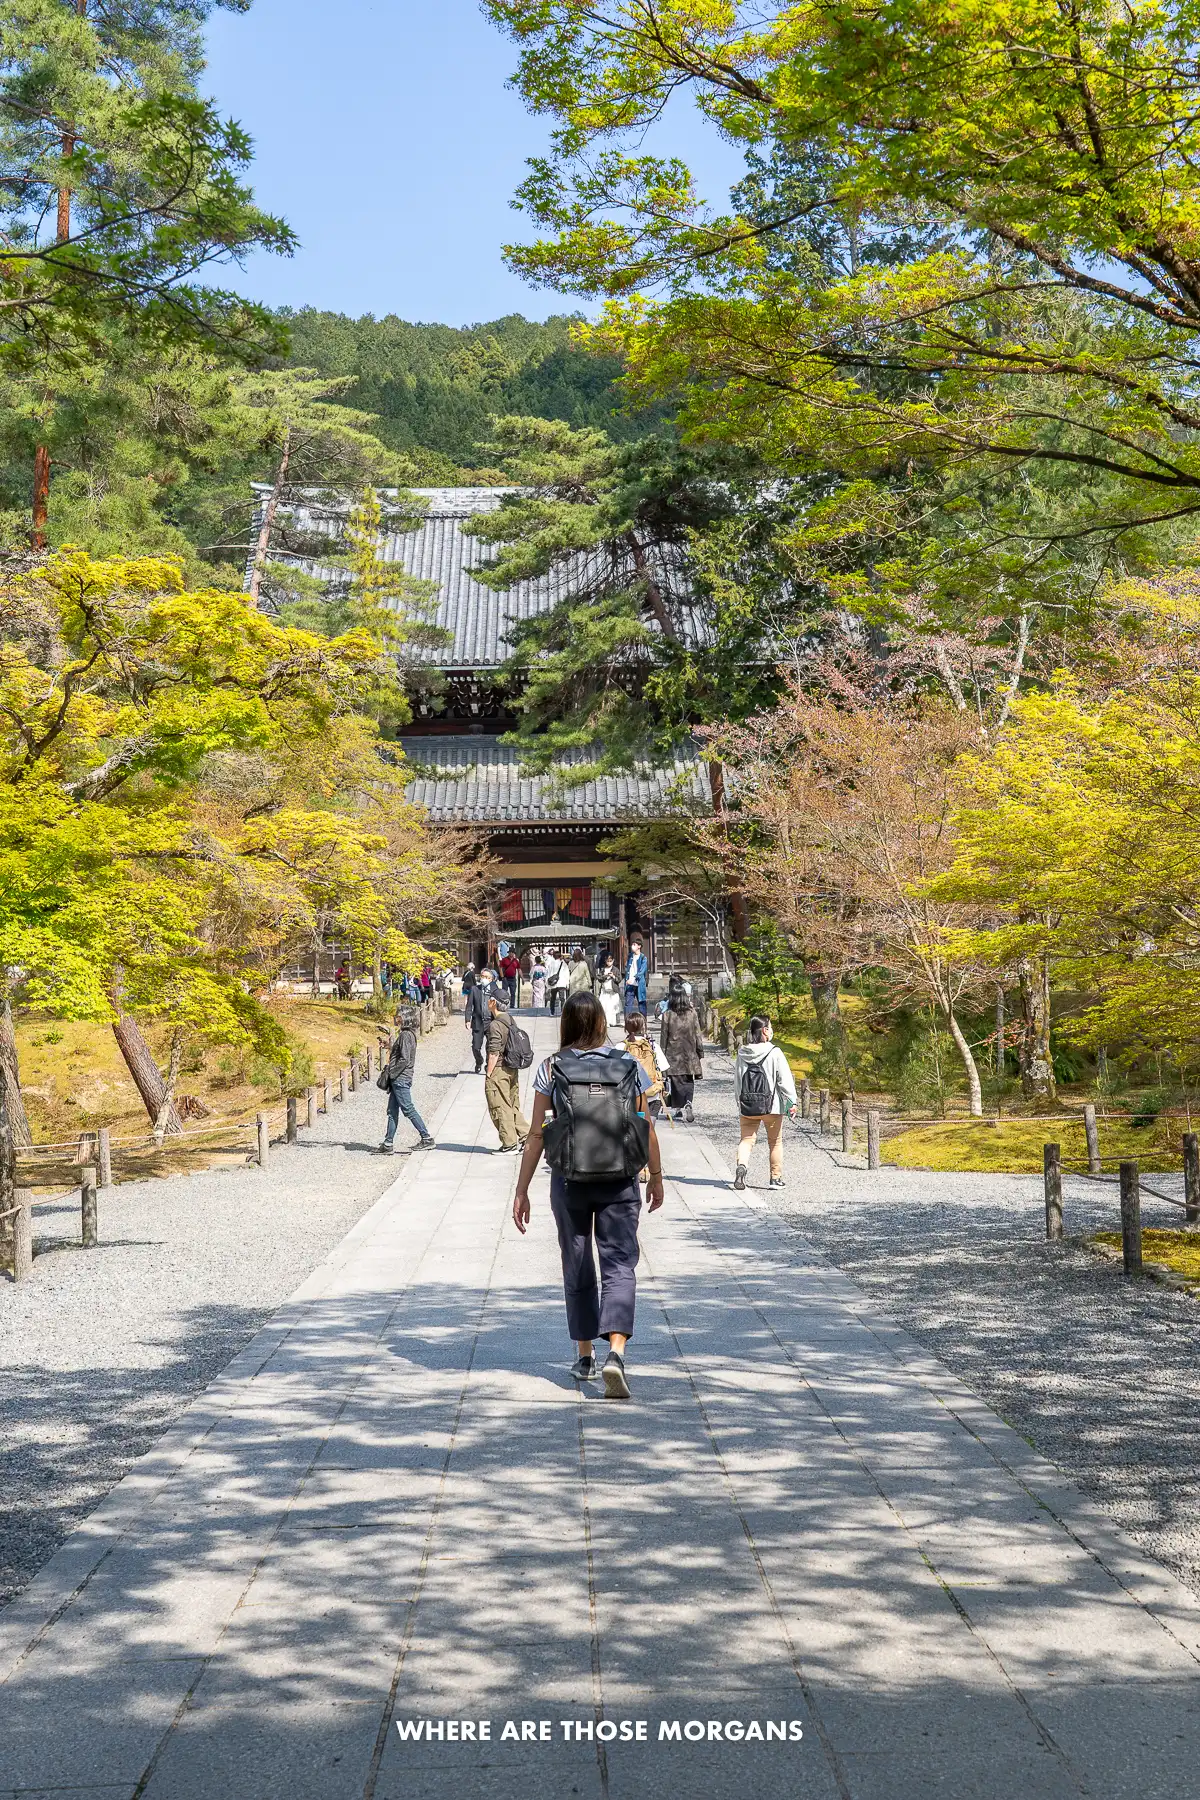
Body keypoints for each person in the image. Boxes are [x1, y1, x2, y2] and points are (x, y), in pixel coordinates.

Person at [513, 992, 663, 1399]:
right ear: (601, 1021)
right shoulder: (629, 1064)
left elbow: (536, 1135)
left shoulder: (550, 1068)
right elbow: (646, 1124)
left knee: (577, 1263)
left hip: (569, 1180)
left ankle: (584, 1356)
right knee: (619, 1263)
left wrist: (521, 1189)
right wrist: (658, 1177)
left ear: (566, 1023)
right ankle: (615, 1353)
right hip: (620, 1178)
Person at [734, 1015, 799, 1191]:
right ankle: (775, 1179)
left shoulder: (742, 1053)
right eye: (770, 1027)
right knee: (775, 1142)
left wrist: (739, 1102)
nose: (771, 1030)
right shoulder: (775, 1052)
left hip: (747, 1105)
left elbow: (738, 1081)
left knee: (747, 1139)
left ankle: (742, 1166)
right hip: (772, 1106)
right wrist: (792, 1101)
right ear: (764, 1030)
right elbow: (784, 1080)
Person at [377, 1008, 435, 1154]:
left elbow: (405, 1059)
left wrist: (391, 1073)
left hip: (400, 1078)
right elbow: (402, 1053)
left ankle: (426, 1138)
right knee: (392, 1111)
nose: (395, 1018)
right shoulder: (406, 1035)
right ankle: (388, 1143)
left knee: (408, 1109)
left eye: (397, 1016)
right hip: (400, 1078)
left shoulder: (406, 1035)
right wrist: (390, 1046)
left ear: (404, 1018)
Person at [485, 992, 531, 1154]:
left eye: (489, 1000)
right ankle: (526, 1136)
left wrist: (489, 1073)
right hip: (512, 1068)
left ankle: (509, 1143)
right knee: (512, 1104)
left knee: (500, 1106)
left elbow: (494, 1051)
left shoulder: (495, 1025)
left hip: (499, 1069)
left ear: (493, 1002)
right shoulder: (510, 1020)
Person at [659, 978, 705, 1122]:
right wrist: (700, 1050)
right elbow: (698, 1034)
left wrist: (661, 1055)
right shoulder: (692, 1013)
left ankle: (678, 1108)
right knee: (688, 1080)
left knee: (676, 1081)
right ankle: (688, 1102)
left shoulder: (668, 1015)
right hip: (689, 1052)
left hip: (673, 1053)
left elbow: (663, 1036)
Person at [623, 1012, 669, 1118]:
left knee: (631, 1131)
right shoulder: (653, 1046)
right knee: (649, 1130)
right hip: (652, 1095)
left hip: (629, 1097)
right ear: (644, 1027)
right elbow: (664, 1068)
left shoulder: (621, 1046)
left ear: (626, 1028)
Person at [464, 974, 489, 1073]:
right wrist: (467, 1020)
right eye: (482, 976)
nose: (483, 979)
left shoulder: (494, 990)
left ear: (490, 979)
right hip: (478, 1021)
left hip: (490, 1022)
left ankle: (488, 1065)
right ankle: (479, 1061)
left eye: (486, 977)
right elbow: (469, 1006)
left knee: (491, 1047)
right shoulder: (474, 989)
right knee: (475, 1047)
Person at [623, 935, 648, 1016]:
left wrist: (633, 979)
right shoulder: (630, 956)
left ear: (639, 946)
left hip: (639, 983)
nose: (632, 946)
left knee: (642, 1004)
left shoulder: (643, 957)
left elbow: (641, 972)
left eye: (634, 944)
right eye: (632, 944)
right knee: (628, 1004)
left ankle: (643, 1022)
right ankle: (627, 1022)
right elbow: (628, 968)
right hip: (629, 984)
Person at [597, 960, 623, 1031]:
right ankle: (606, 1022)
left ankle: (613, 1021)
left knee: (613, 1007)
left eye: (610, 961)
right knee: (605, 1007)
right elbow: (599, 978)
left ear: (613, 961)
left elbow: (619, 979)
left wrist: (613, 976)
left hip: (613, 991)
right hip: (605, 990)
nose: (609, 962)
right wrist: (606, 976)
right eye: (607, 961)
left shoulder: (615, 969)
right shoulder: (603, 969)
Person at [548, 949, 570, 1016]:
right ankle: (562, 1012)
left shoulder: (551, 964)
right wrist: (567, 983)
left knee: (553, 998)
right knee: (562, 998)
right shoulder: (563, 964)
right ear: (560, 956)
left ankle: (552, 1012)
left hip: (553, 984)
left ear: (554, 956)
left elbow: (548, 974)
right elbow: (567, 973)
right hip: (562, 983)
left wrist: (548, 984)